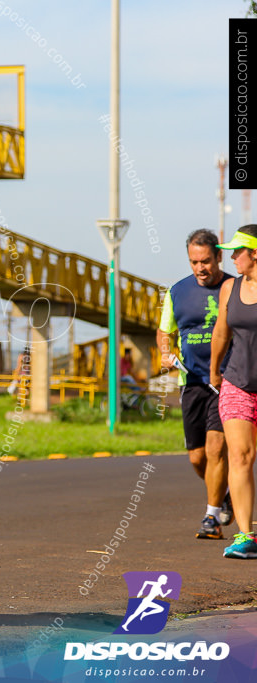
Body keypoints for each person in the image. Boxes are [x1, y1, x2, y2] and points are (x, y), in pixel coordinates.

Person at [157, 229, 232, 540]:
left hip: (228, 380)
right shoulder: (177, 291)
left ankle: (211, 518)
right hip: (192, 381)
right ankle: (223, 494)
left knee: (216, 449)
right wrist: (164, 352)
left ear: (218, 257)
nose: (200, 268)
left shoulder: (234, 287)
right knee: (197, 457)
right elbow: (165, 332)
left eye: (206, 261)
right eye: (194, 262)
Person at [211, 225, 257, 558]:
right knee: (240, 456)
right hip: (237, 381)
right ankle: (245, 535)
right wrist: (215, 371)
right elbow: (221, 332)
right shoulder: (230, 287)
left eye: (238, 251)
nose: (232, 257)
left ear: (255, 253)